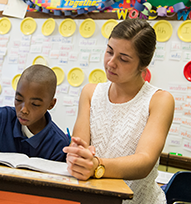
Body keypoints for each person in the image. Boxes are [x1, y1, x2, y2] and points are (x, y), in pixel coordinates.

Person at [63, 18, 175, 203]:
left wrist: (96, 165)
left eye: (123, 59)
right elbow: (80, 148)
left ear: (142, 65)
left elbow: (144, 162)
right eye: (109, 51)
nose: (111, 63)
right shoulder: (90, 93)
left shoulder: (159, 100)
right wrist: (78, 157)